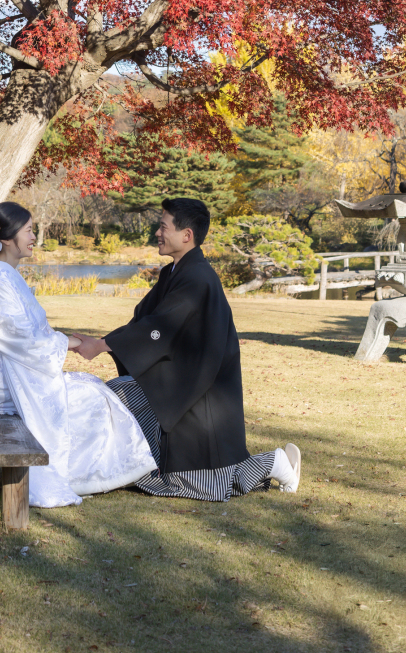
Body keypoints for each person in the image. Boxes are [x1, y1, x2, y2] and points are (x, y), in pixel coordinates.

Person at [74, 197, 301, 500]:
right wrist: (105, 342)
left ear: (186, 235)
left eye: (163, 226)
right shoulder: (174, 273)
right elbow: (147, 321)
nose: (157, 232)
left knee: (190, 479)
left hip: (200, 391)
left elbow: (162, 328)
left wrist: (102, 346)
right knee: (118, 405)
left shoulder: (198, 278)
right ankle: (87, 471)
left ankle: (274, 463)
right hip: (178, 381)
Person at [0, 201, 157, 508]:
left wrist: (66, 341)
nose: (34, 237)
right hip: (2, 389)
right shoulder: (0, 277)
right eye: (29, 230)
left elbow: (24, 333)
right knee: (94, 397)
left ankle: (108, 470)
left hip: (7, 376)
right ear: (6, 238)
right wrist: (71, 343)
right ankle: (85, 476)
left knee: (95, 387)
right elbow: (22, 339)